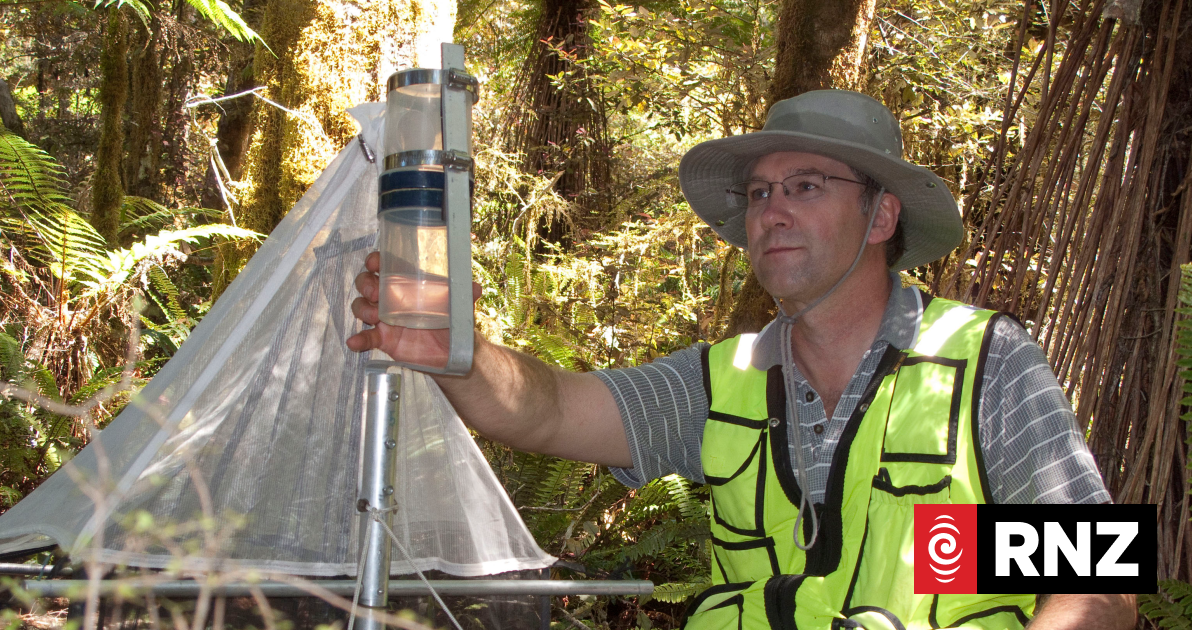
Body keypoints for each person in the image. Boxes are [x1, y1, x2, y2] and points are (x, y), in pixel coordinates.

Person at [347, 90, 1136, 630]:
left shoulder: (986, 362)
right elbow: (551, 411)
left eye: (805, 185)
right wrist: (459, 354)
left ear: (881, 214)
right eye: (759, 194)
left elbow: (1099, 580)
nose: (773, 210)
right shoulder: (724, 380)